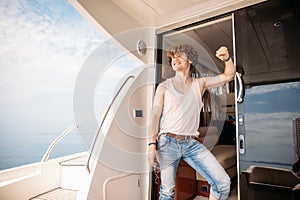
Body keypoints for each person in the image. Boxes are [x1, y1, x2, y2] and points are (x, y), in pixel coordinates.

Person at [148, 44, 235, 200]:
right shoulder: (163, 87)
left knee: (223, 183)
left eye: (179, 55)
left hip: (191, 144)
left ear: (190, 60)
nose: (175, 59)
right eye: (173, 57)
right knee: (167, 192)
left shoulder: (199, 84)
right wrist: (151, 144)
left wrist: (227, 59)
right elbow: (155, 116)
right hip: (167, 142)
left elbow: (228, 76)